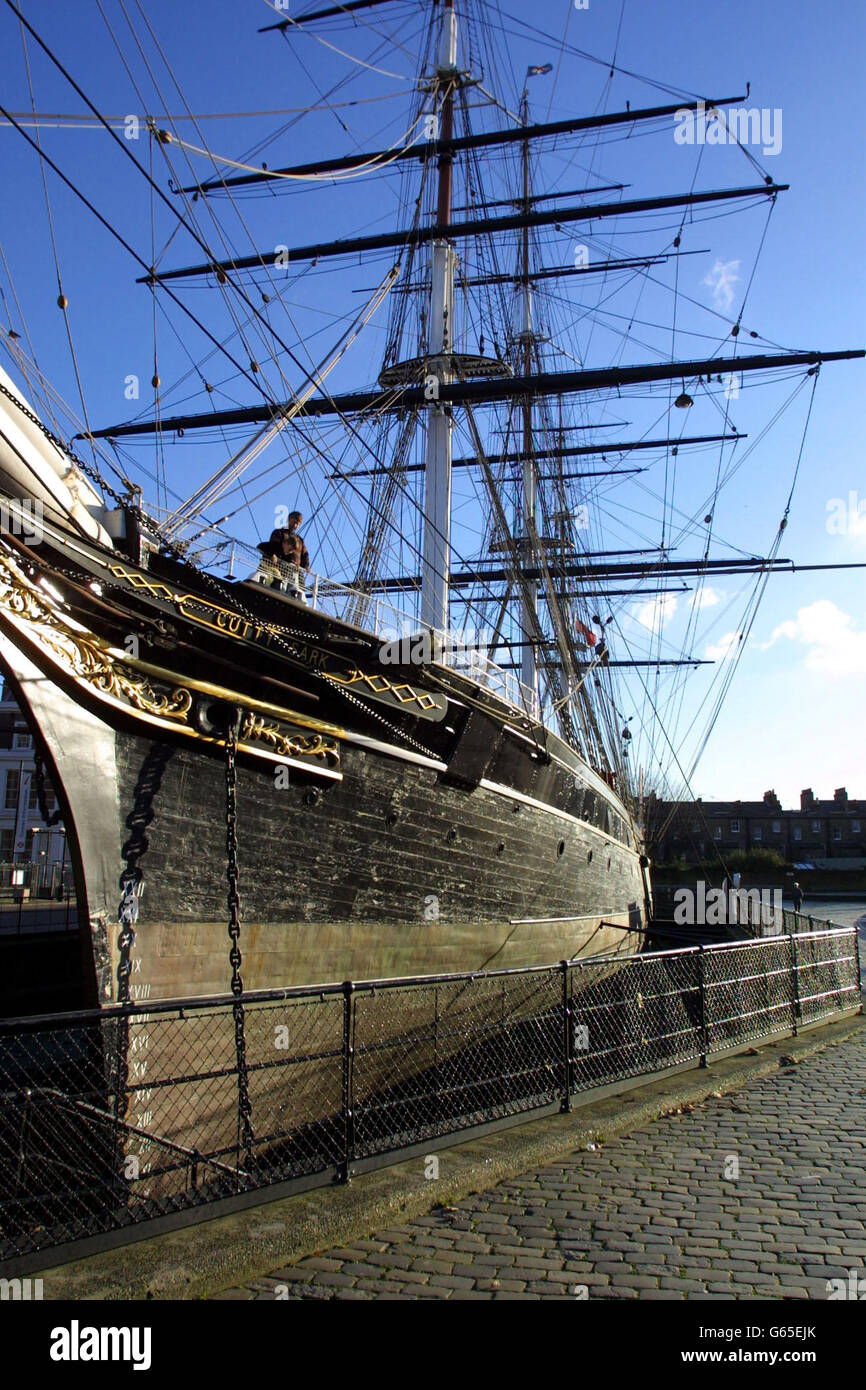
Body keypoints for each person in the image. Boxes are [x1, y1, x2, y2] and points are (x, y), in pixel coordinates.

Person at [254, 511, 310, 600]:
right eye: (294, 522)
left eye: (298, 524)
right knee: (280, 585)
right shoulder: (279, 533)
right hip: (279, 568)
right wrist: (272, 554)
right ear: (289, 519)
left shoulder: (300, 540)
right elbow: (272, 546)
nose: (295, 525)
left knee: (294, 588)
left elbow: (305, 554)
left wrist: (306, 566)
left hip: (293, 571)